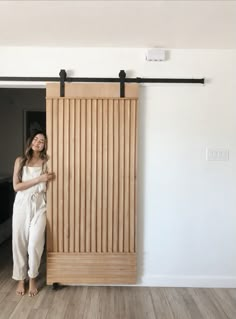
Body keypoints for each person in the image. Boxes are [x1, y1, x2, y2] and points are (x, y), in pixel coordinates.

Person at [12, 130, 55, 297]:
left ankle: (33, 277)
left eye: (42, 141)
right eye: (36, 139)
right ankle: (20, 278)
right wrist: (39, 179)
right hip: (22, 204)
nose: (38, 142)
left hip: (40, 205)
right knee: (19, 242)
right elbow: (16, 186)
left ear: (45, 146)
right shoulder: (20, 160)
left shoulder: (47, 161)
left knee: (35, 242)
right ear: (30, 141)